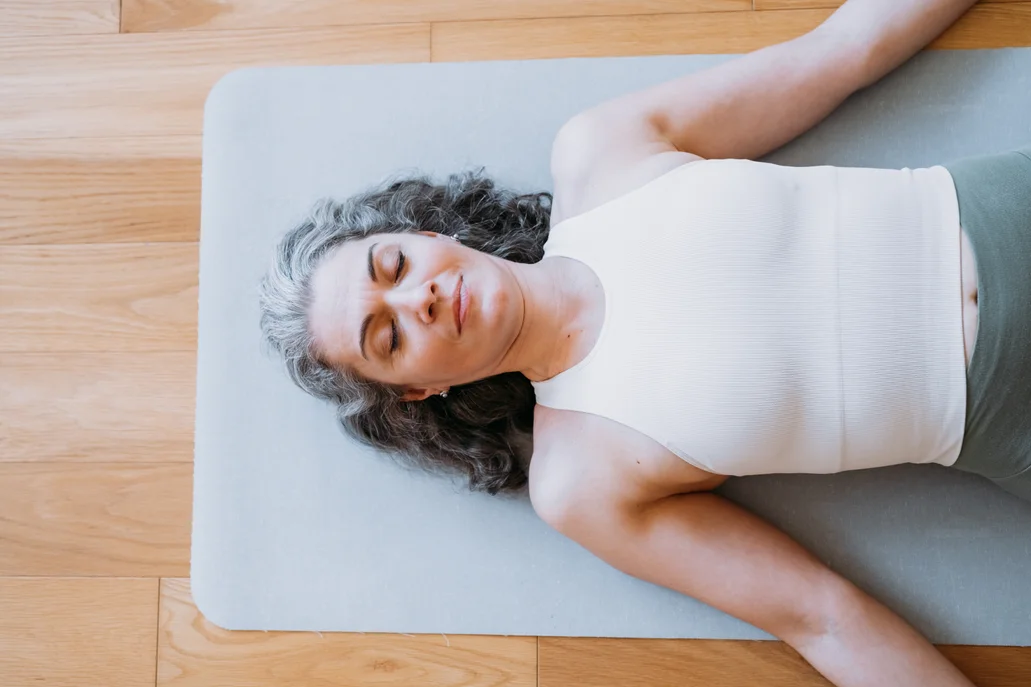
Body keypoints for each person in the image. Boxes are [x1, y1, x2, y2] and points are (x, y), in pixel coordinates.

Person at [259, 0, 1031, 684]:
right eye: (387, 335)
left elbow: (839, 53)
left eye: (393, 265)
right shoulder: (578, 481)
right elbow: (818, 615)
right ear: (417, 392)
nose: (416, 297)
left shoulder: (602, 150)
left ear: (427, 234)